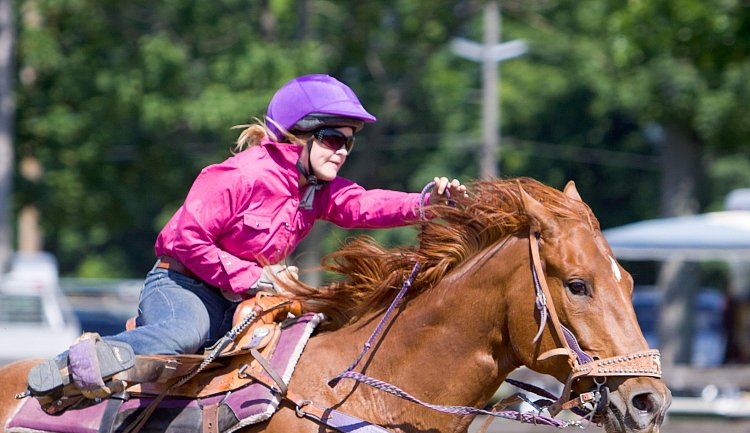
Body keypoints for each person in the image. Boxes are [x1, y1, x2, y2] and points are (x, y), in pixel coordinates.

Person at [27, 74, 466, 401]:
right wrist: (256, 278)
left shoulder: (319, 189)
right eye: (333, 138)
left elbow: (364, 205)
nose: (342, 151)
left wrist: (427, 204)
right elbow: (185, 240)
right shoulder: (238, 174)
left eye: (349, 143)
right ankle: (74, 366)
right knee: (184, 332)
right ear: (298, 135)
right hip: (182, 285)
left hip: (241, 300)